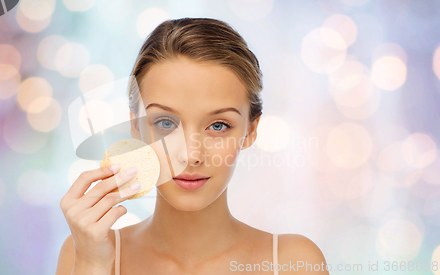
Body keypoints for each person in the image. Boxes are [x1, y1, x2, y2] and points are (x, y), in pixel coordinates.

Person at [56, 17, 329, 275]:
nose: (191, 155)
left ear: (251, 130)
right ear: (136, 127)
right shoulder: (86, 251)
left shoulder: (294, 262)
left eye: (218, 125)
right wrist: (92, 264)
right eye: (165, 123)